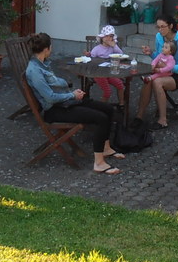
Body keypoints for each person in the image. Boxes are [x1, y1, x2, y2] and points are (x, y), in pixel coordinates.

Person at [25, 32, 124, 174]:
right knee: (100, 118)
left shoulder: (43, 63)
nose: (52, 49)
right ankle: (99, 163)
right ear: (46, 49)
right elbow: (50, 98)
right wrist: (72, 95)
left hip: (65, 102)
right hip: (55, 110)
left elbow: (55, 85)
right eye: (51, 46)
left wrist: (72, 92)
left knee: (107, 109)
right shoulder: (34, 70)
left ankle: (106, 148)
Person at [136, 17, 178, 130]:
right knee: (148, 80)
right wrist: (150, 53)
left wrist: (167, 68)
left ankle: (162, 120)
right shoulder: (159, 37)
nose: (159, 30)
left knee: (157, 82)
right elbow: (160, 56)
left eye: (162, 27)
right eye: (158, 27)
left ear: (170, 26)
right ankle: (139, 117)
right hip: (164, 71)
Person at [88, 25, 126, 104]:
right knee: (107, 91)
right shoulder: (97, 49)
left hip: (109, 72)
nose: (109, 38)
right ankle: (103, 107)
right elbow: (91, 60)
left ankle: (121, 104)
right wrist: (88, 55)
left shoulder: (112, 48)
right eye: (106, 36)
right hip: (98, 73)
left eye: (111, 36)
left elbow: (121, 55)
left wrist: (114, 45)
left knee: (120, 85)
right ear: (102, 37)